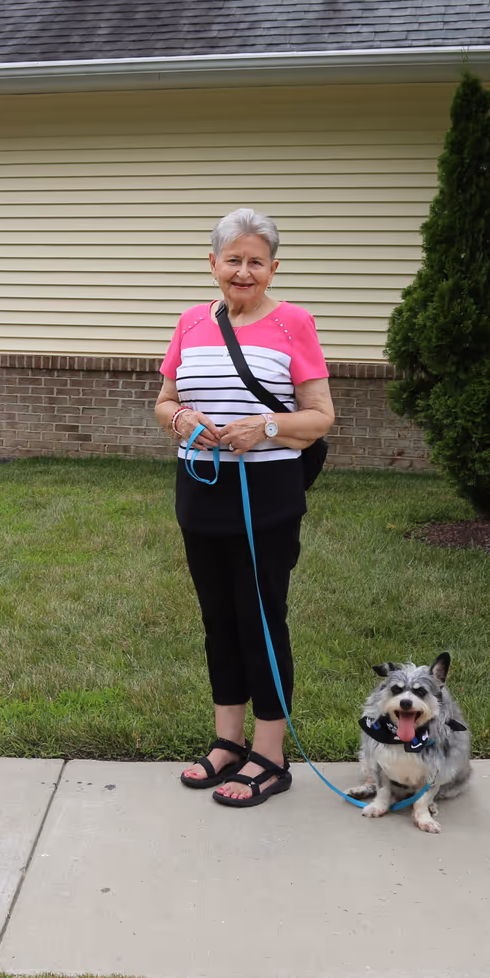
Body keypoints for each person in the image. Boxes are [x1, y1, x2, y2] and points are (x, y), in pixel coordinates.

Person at [155, 208, 335, 808]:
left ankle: (270, 756)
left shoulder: (294, 324)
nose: (243, 271)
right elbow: (165, 402)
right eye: (233, 259)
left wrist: (264, 425)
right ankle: (227, 742)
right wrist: (180, 418)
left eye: (256, 261)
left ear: (273, 269)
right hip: (201, 493)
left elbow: (319, 416)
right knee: (218, 621)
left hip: (267, 498)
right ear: (212, 264)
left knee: (260, 620)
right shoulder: (189, 323)